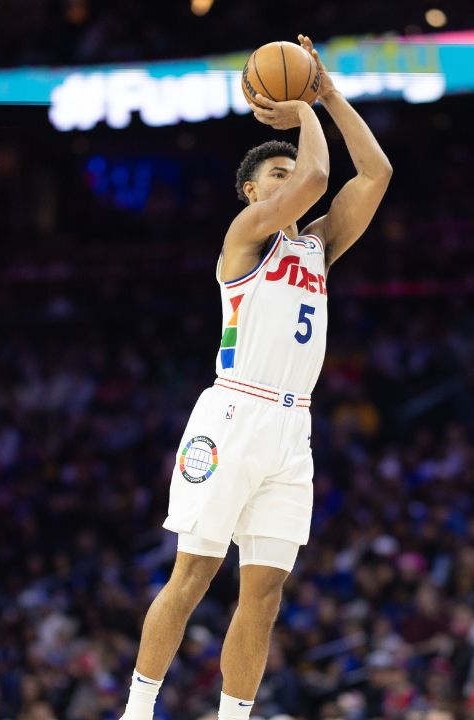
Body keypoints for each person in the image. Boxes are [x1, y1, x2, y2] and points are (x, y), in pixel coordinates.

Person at [119, 36, 392, 720]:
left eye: (287, 170)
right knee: (192, 575)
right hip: (233, 415)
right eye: (276, 174)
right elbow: (317, 177)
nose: (289, 178)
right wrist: (303, 110)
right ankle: (138, 710)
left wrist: (329, 95)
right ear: (251, 191)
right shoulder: (244, 236)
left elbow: (375, 172)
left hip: (293, 427)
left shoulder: (317, 244)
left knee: (264, 595)